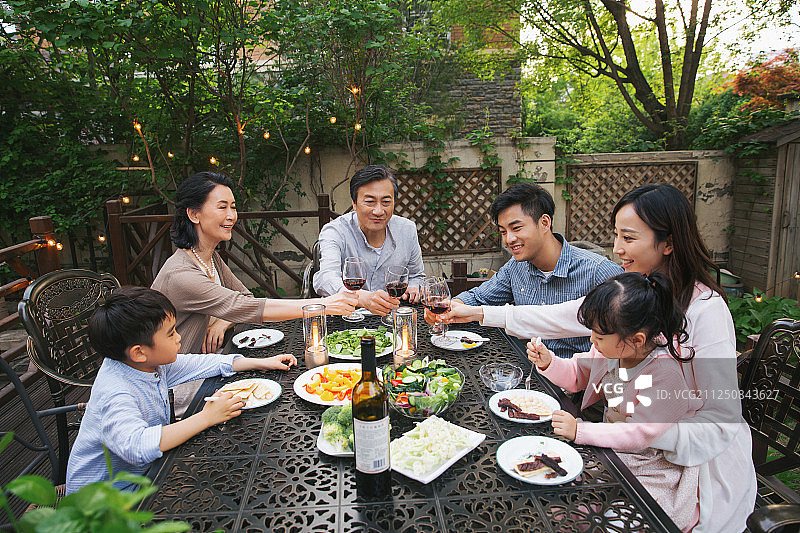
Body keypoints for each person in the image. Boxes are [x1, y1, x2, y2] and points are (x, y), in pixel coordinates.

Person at [459, 183, 755, 532]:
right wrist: (479, 314)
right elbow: (563, 316)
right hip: (621, 440)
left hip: (687, 466)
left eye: (628, 238)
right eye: (616, 236)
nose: (616, 249)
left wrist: (645, 433)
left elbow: (720, 418)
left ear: (669, 242)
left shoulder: (706, 309)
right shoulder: (636, 286)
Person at [66, 287, 298, 494]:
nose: (179, 338)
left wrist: (262, 362)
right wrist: (207, 417)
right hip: (106, 505)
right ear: (138, 352)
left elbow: (202, 364)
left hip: (147, 475)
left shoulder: (145, 363)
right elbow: (137, 446)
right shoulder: (116, 390)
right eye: (170, 333)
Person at [528, 272, 702, 532]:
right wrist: (549, 362)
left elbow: (639, 433)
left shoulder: (664, 375)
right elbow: (578, 373)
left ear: (637, 339)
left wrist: (580, 430)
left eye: (599, 337)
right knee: (559, 494)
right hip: (612, 451)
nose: (592, 342)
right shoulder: (611, 351)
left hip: (650, 465)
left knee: (620, 520)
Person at [151, 171, 357, 355]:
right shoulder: (181, 274)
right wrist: (322, 306)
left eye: (233, 207)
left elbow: (244, 299)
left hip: (211, 360)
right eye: (222, 207)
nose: (231, 216)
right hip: (180, 382)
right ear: (194, 214)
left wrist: (222, 322)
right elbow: (243, 305)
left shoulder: (209, 257)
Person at [437, 183, 621, 358]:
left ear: (544, 223)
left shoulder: (599, 271)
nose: (509, 239)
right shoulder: (516, 267)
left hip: (579, 380)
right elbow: (479, 298)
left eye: (516, 228)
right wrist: (452, 306)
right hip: (527, 370)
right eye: (503, 232)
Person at [313, 164, 425, 316]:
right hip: (345, 317)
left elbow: (417, 276)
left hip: (392, 317)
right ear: (354, 203)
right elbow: (326, 278)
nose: (378, 211)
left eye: (386, 202)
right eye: (370, 201)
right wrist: (360, 297)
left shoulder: (407, 229)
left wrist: (413, 286)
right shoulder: (335, 231)